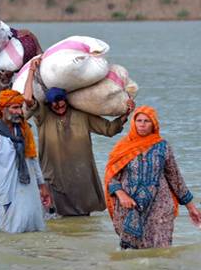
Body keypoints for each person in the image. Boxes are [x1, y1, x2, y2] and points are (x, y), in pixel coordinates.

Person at [23, 58, 135, 216]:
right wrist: (31, 71)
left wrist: (126, 113)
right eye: (54, 104)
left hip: (80, 176)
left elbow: (109, 129)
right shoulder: (43, 116)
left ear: (66, 101)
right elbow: (27, 99)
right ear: (49, 104)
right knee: (53, 217)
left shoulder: (82, 114)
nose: (59, 106)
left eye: (61, 102)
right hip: (53, 176)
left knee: (82, 217)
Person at [104, 106, 201, 249]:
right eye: (139, 120)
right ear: (134, 123)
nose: (142, 124)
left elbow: (175, 178)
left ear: (154, 124)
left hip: (160, 206)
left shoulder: (163, 147)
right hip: (129, 205)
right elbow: (111, 176)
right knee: (130, 253)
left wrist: (191, 207)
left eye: (147, 121)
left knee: (161, 250)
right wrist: (121, 195)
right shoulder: (123, 147)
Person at [0, 89, 52, 233]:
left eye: (20, 107)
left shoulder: (25, 131)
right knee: (8, 235)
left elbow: (33, 159)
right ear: (2, 109)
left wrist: (42, 185)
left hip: (29, 191)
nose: (19, 112)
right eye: (15, 107)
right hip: (6, 194)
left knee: (33, 231)